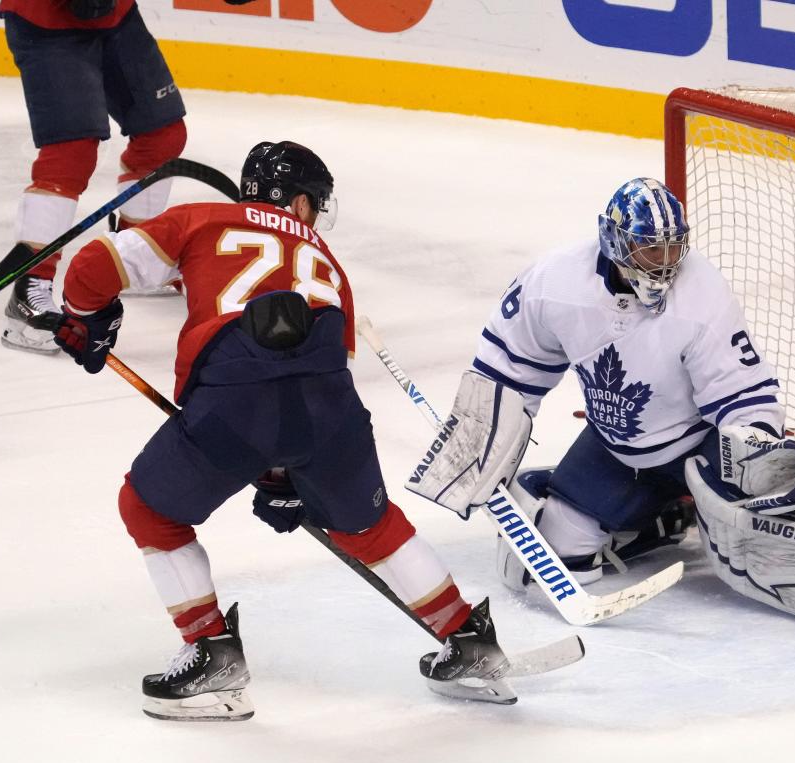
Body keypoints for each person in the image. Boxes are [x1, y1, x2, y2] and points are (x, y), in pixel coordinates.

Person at [53, 140, 520, 720]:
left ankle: (210, 651)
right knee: (370, 526)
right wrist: (287, 472)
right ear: (300, 203)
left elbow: (92, 267)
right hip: (332, 409)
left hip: (236, 399)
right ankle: (467, 636)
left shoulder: (201, 217)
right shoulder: (331, 265)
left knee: (148, 510)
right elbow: (312, 378)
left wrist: (85, 319)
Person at [406, 177, 795, 637]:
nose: (664, 264)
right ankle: (662, 517)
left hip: (696, 448)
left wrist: (753, 453)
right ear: (616, 244)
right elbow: (506, 372)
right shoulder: (554, 284)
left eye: (672, 248)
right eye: (648, 250)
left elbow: (743, 392)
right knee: (549, 562)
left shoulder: (700, 293)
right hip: (618, 449)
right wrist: (478, 442)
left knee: (749, 541)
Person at [0, 0, 257, 354]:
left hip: (115, 16)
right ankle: (28, 290)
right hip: (46, 21)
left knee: (161, 134)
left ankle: (136, 251)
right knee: (70, 153)